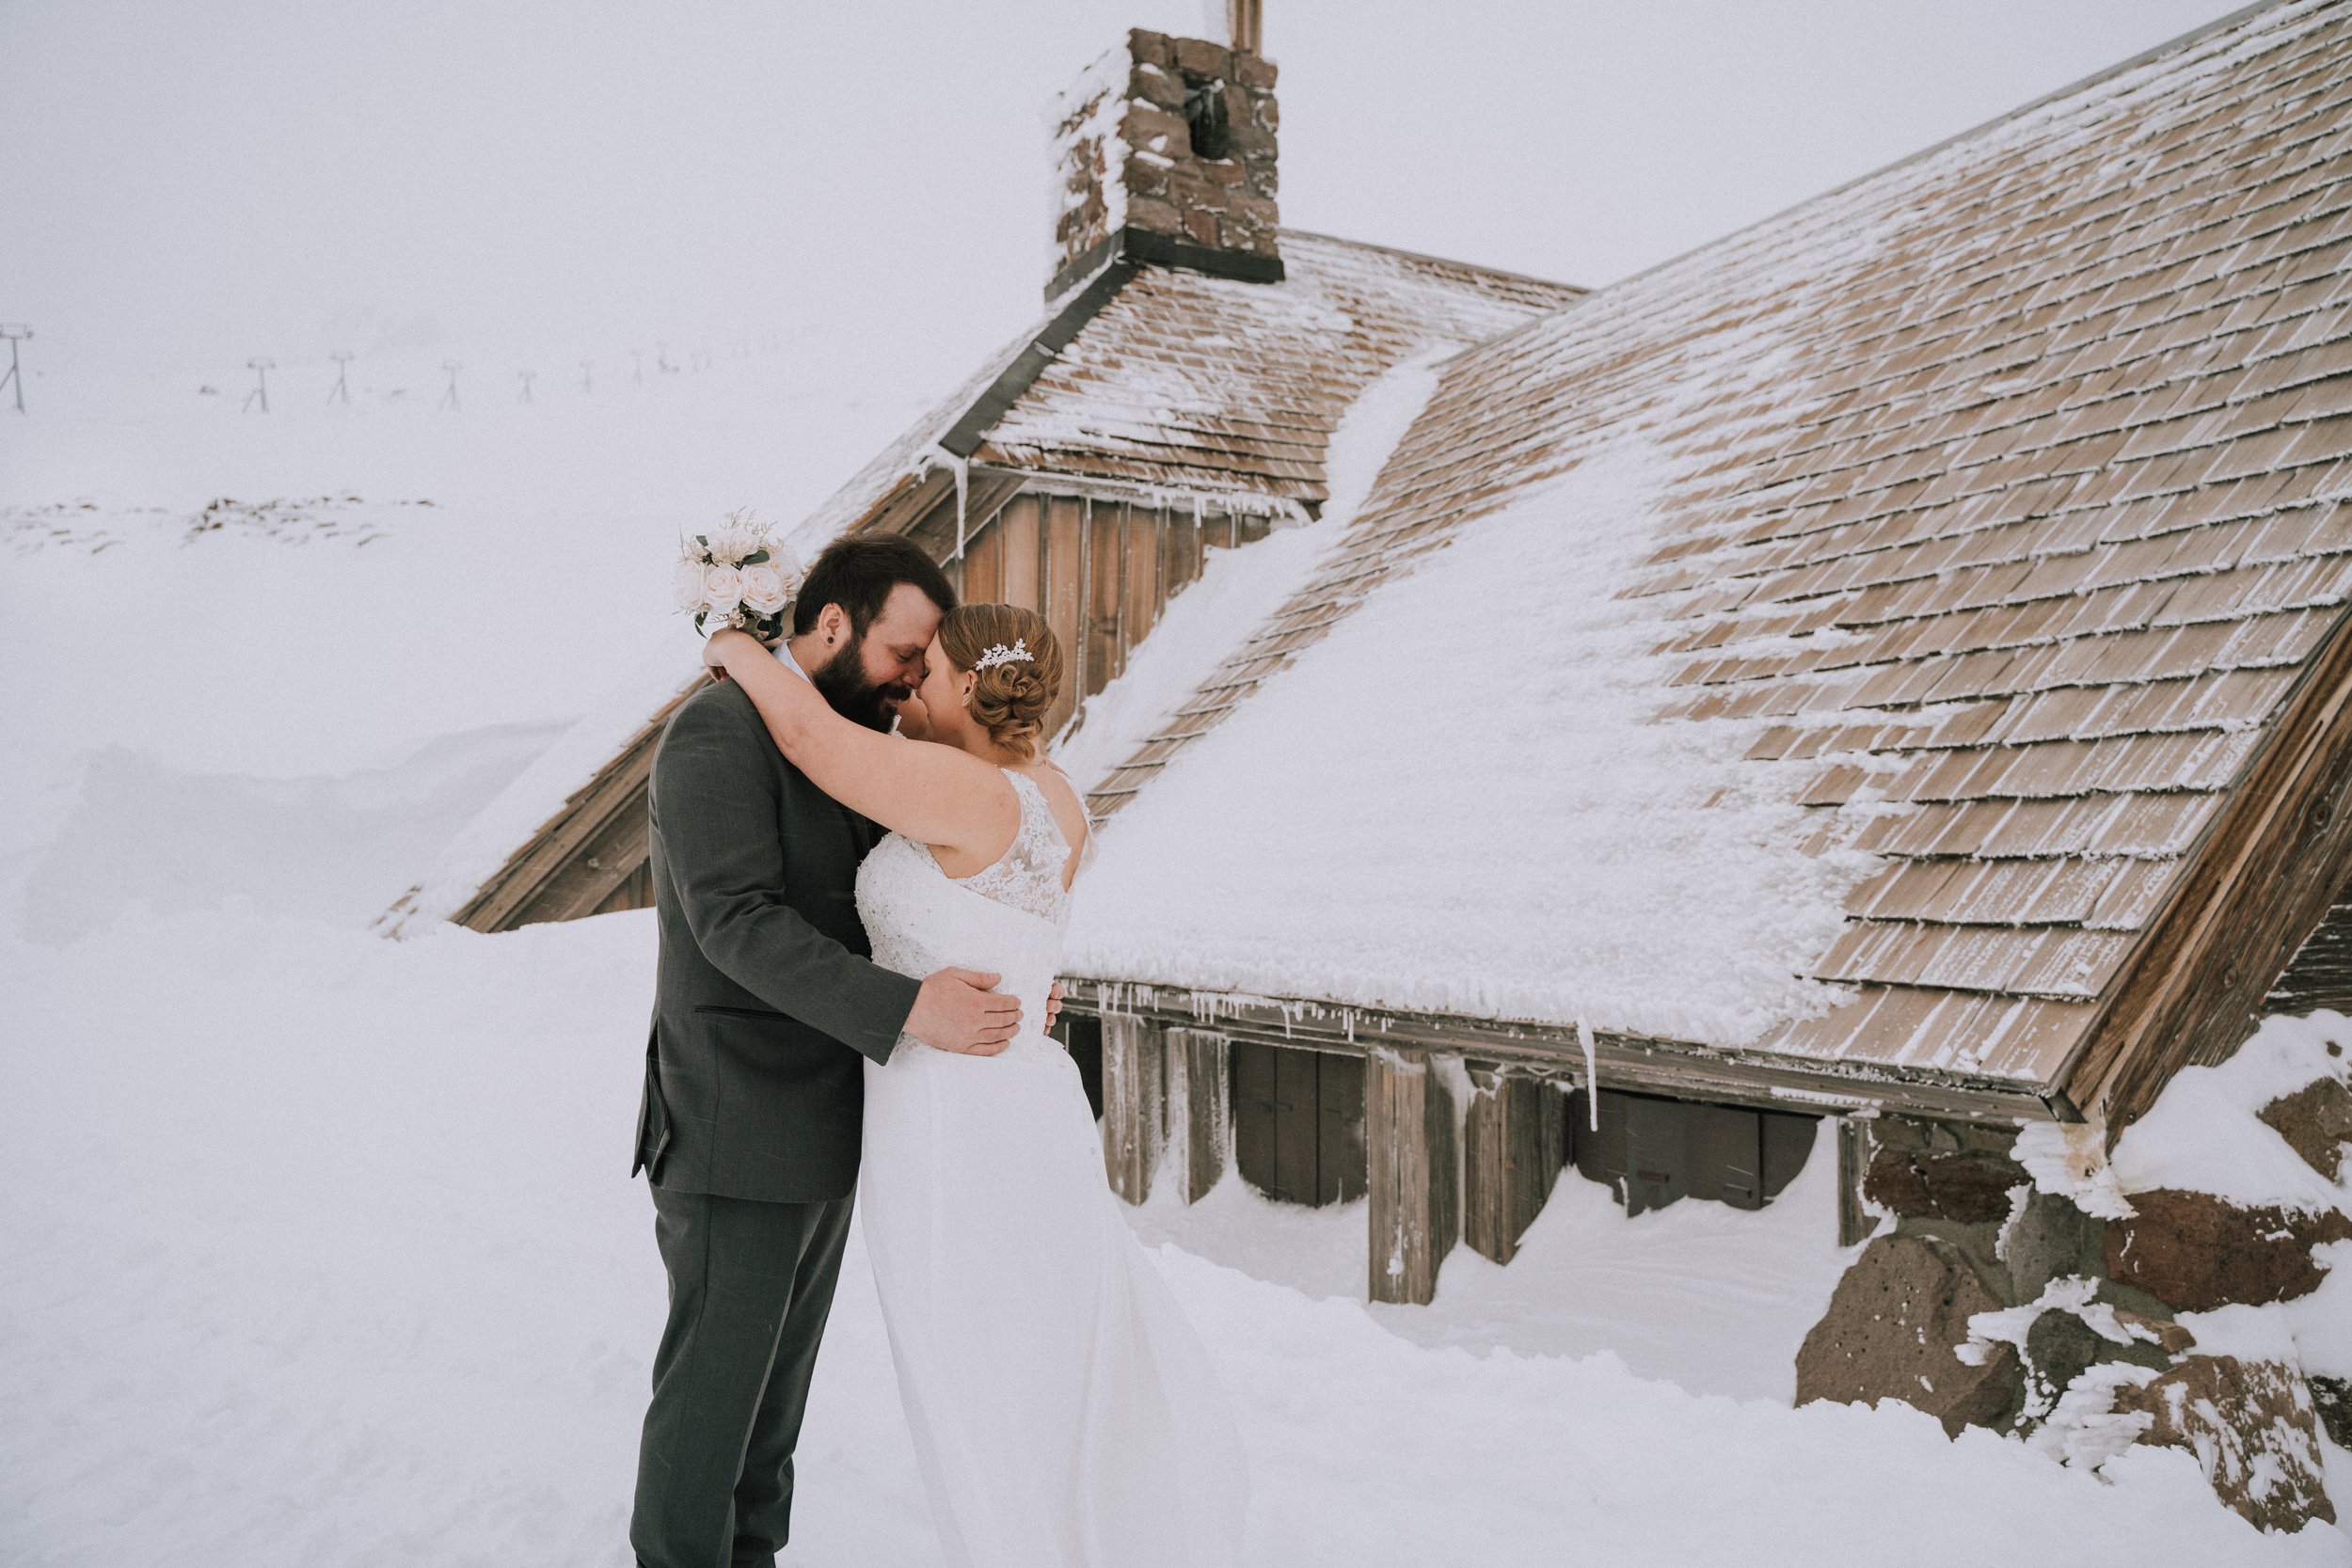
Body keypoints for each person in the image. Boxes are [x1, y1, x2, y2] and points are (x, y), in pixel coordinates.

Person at [703, 599, 1248, 1568]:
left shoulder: (963, 789)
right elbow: (1011, 929)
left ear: (963, 683)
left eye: (923, 674)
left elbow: (806, 733)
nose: (906, 688)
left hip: (957, 1122)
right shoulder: (1054, 792)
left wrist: (730, 639)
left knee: (982, 1376)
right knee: (1029, 1359)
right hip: (1019, 1099)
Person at [630, 534, 1033, 1568]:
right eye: (904, 649)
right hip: (735, 1126)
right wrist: (911, 1010)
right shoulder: (717, 734)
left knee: (770, 1429)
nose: (912, 674)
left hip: (834, 1128)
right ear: (831, 623)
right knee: (711, 1411)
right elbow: (737, 925)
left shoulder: (861, 742)